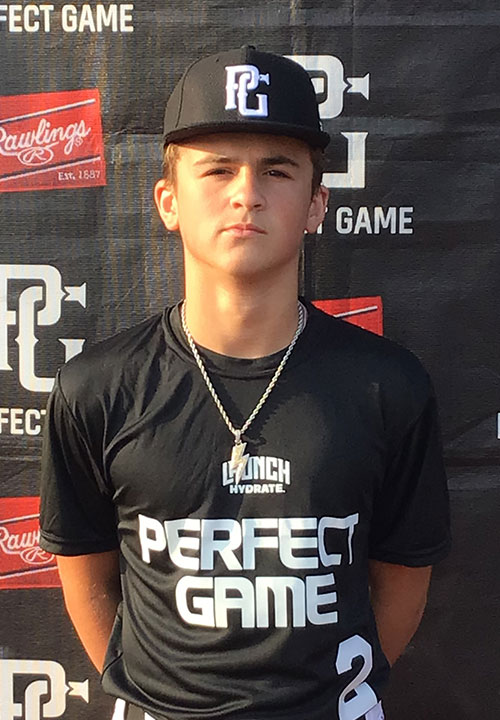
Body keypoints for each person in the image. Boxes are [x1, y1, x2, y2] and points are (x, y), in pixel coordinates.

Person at [39, 46, 450, 720]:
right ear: (168, 201)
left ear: (316, 203)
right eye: (218, 169)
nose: (246, 194)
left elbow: (403, 578)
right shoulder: (98, 388)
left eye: (277, 170)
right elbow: (85, 569)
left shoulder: (387, 384)